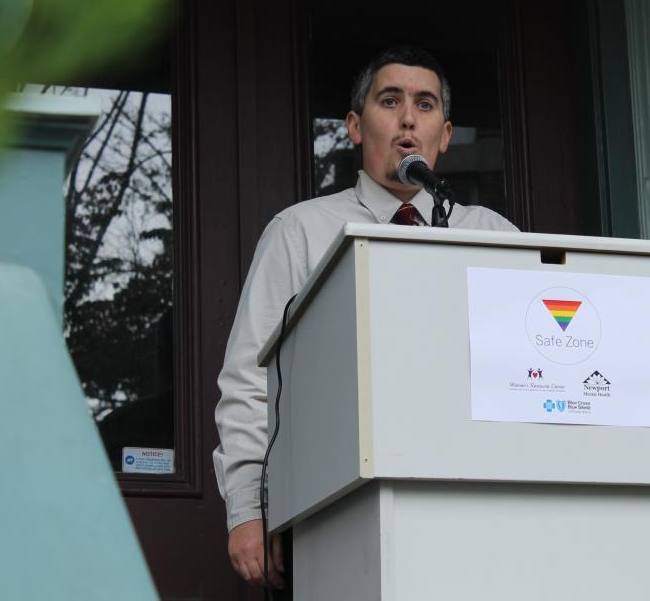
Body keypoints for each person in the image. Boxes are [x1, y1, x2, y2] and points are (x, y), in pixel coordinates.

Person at [214, 46, 518, 587]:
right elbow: (250, 381)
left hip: (476, 512)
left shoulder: (489, 234)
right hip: (335, 511)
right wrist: (248, 508)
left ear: (444, 136)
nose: (407, 118)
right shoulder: (300, 232)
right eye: (389, 100)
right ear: (355, 126)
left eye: (424, 105)